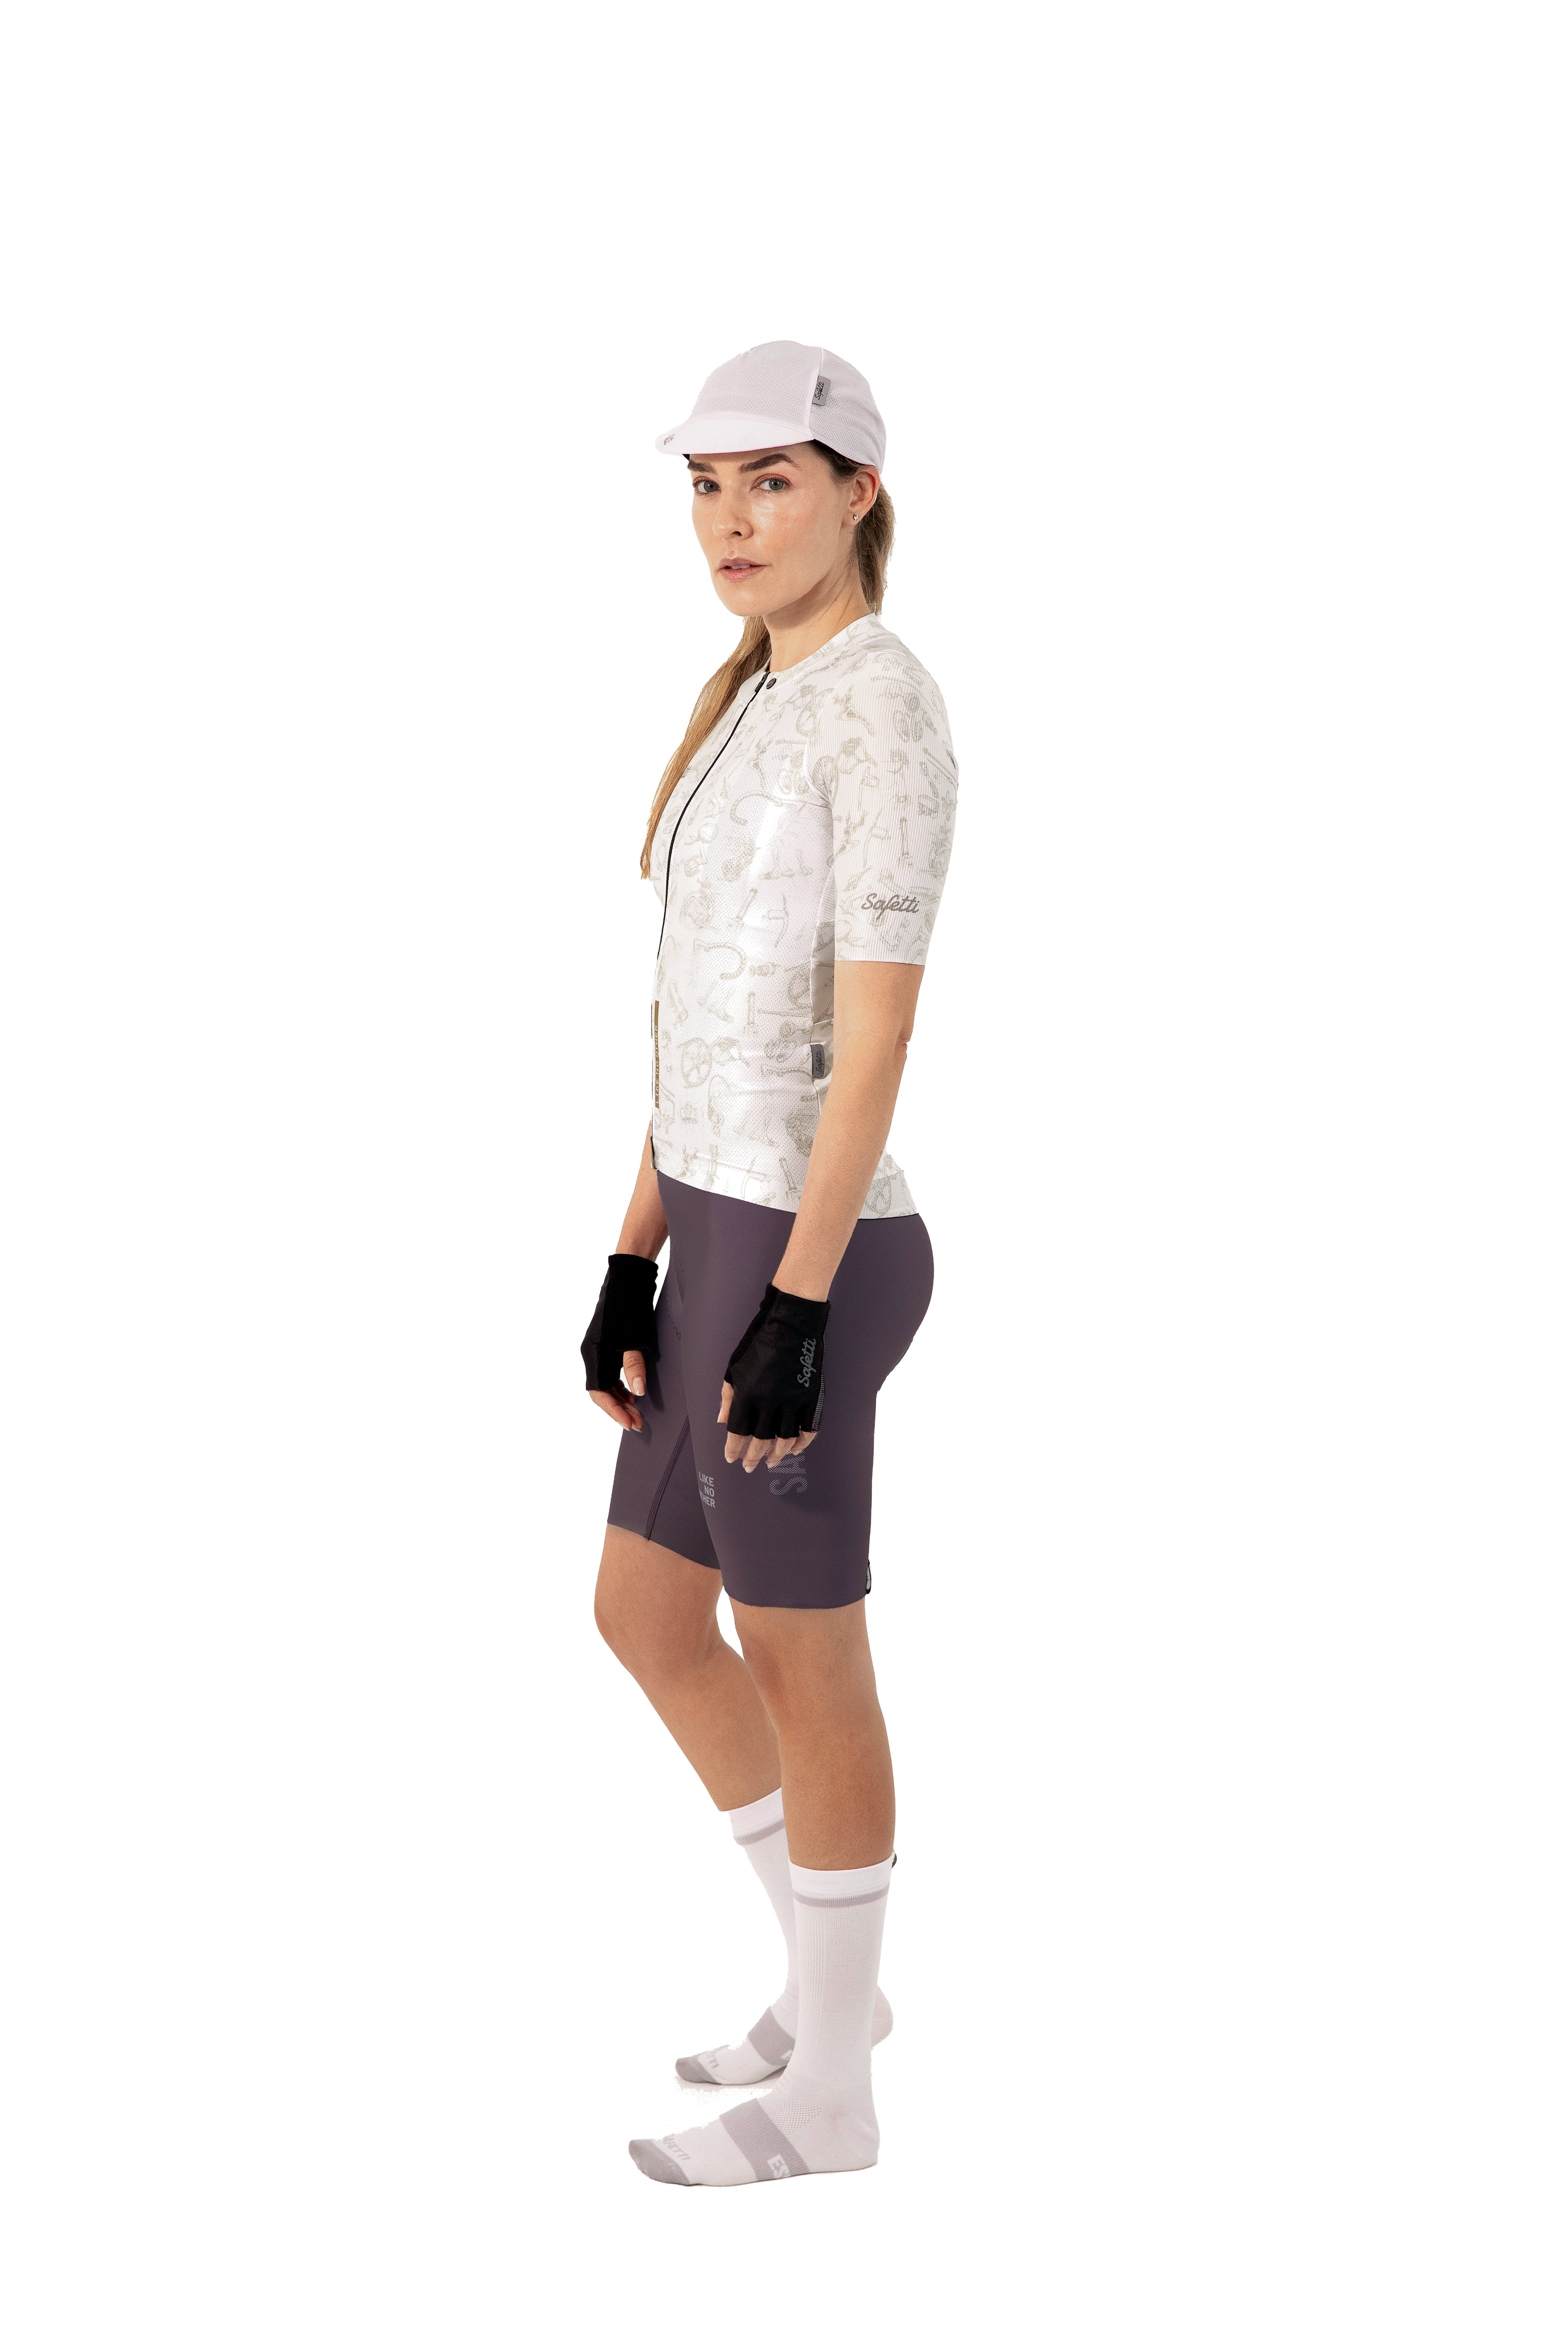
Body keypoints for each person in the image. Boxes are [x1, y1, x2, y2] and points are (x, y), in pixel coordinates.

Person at [583, 342, 960, 2187]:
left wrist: (795, 1305)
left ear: (858, 493)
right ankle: (834, 1998)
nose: (730, 522)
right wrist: (632, 1248)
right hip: (715, 1229)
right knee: (647, 1615)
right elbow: (707, 1027)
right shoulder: (748, 694)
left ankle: (831, 2098)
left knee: (806, 1654)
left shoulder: (879, 706)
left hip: (815, 1250)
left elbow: (869, 1041)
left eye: (774, 482)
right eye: (708, 487)